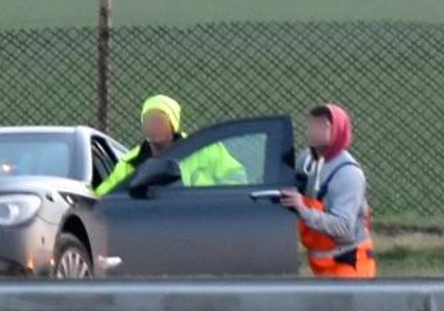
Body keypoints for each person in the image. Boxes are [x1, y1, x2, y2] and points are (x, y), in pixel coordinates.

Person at [281, 104, 376, 279]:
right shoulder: (306, 160)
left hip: (349, 264)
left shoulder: (348, 174)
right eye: (311, 124)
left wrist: (303, 210)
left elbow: (343, 227)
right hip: (322, 265)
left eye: (322, 125)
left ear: (338, 129)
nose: (312, 131)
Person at [94, 94, 246, 197]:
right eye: (148, 120)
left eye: (159, 121)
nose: (153, 126)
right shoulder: (131, 162)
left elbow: (237, 181)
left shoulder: (206, 150)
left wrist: (210, 200)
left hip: (203, 219)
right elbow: (104, 196)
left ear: (173, 124)